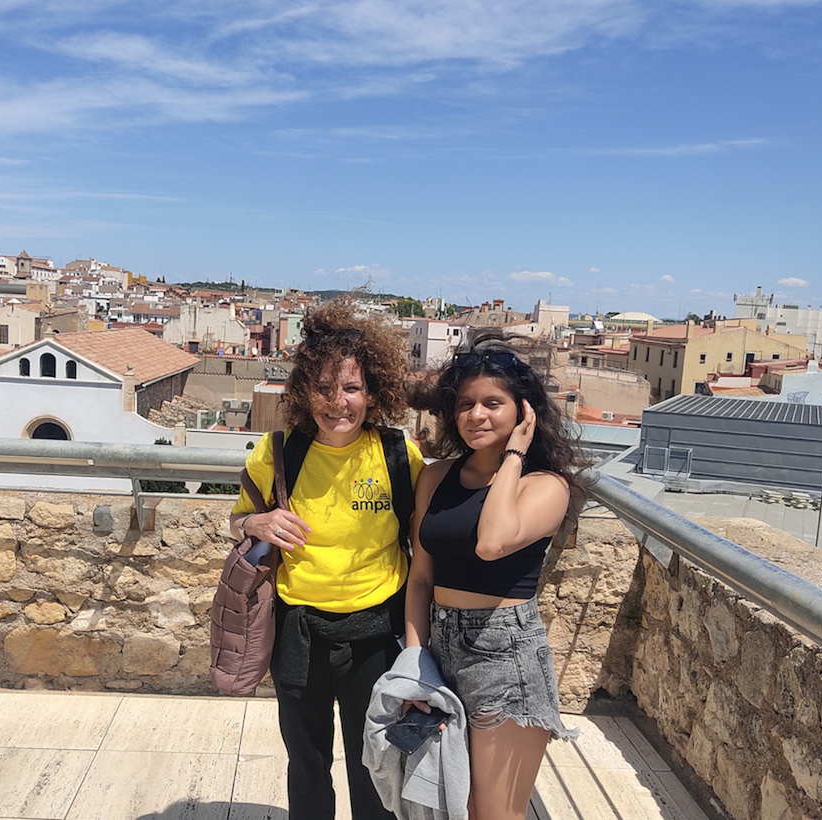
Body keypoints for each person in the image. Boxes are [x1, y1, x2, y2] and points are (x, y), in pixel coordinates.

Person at [230, 299, 425, 820]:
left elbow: (424, 544)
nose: (338, 402)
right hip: (299, 632)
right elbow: (237, 521)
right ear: (302, 391)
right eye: (322, 388)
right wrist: (255, 524)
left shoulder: (398, 456)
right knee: (307, 763)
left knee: (375, 765)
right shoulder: (277, 453)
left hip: (377, 634)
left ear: (373, 392)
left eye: (352, 388)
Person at [404, 328, 588, 820]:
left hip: (505, 655)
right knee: (448, 801)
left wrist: (513, 456)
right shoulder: (435, 477)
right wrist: (414, 663)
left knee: (495, 812)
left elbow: (492, 542)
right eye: (465, 404)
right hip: (439, 648)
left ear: (524, 412)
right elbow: (420, 578)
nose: (476, 415)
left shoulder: (545, 486)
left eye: (492, 403)